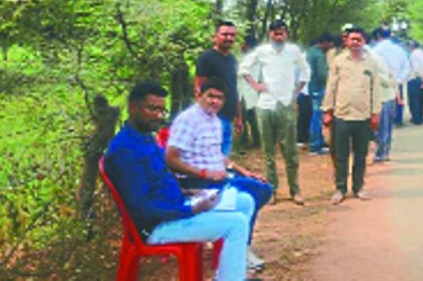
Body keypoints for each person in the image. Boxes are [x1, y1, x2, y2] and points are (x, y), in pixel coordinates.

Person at [104, 81, 251, 281]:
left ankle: (230, 273)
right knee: (236, 224)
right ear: (133, 108)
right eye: (151, 108)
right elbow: (141, 208)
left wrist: (190, 194)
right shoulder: (125, 150)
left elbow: (161, 180)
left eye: (161, 110)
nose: (158, 115)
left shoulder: (145, 138)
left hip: (177, 208)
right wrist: (191, 210)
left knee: (244, 201)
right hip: (159, 227)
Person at [166, 77, 273, 272]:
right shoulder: (187, 120)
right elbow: (171, 159)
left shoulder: (215, 120)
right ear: (199, 95)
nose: (214, 101)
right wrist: (204, 173)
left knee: (263, 187)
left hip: (219, 176)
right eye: (210, 96)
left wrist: (244, 171)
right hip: (194, 182)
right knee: (252, 193)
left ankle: (239, 244)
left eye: (219, 98)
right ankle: (239, 246)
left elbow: (216, 154)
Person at [240, 20, 311, 205]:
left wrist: (296, 91)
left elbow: (305, 72)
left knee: (290, 151)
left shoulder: (293, 51)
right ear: (269, 34)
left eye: (281, 33)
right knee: (268, 151)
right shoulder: (262, 52)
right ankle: (272, 191)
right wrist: (255, 85)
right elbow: (243, 68)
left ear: (286, 34)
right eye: (275, 33)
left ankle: (295, 190)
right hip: (265, 104)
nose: (278, 37)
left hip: (285, 103)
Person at [322, 27, 382, 204]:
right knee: (340, 155)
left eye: (359, 39)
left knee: (360, 154)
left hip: (363, 116)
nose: (355, 42)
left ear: (364, 42)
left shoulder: (371, 63)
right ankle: (340, 189)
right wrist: (327, 111)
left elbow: (375, 89)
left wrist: (375, 113)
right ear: (346, 42)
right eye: (352, 39)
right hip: (342, 115)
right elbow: (331, 87)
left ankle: (358, 187)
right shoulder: (339, 61)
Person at [195, 21, 241, 156]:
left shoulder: (232, 59)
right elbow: (199, 88)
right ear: (216, 36)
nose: (229, 38)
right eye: (225, 34)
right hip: (214, 117)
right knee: (213, 158)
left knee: (224, 158)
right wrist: (203, 117)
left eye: (232, 35)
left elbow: (234, 88)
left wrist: (239, 117)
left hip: (229, 116)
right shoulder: (206, 58)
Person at [371, 27, 409, 162]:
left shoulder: (374, 52)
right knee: (389, 122)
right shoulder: (400, 50)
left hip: (381, 90)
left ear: (377, 36)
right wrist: (397, 82)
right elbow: (406, 67)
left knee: (381, 124)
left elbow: (376, 74)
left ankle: (381, 152)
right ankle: (385, 151)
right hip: (394, 87)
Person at [307, 32, 335, 155]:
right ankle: (315, 145)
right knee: (317, 117)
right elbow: (323, 74)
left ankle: (319, 141)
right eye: (329, 44)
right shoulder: (318, 55)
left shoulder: (311, 52)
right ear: (324, 42)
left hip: (312, 88)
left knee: (316, 116)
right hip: (318, 89)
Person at [238, 35, 261, 149]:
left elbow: (240, 72)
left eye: (243, 44)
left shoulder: (252, 58)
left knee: (249, 117)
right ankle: (246, 139)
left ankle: (252, 140)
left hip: (248, 91)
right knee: (245, 117)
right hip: (244, 91)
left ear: (247, 45)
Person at [407, 40, 423, 125]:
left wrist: (411, 76)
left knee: (414, 100)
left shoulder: (413, 55)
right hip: (422, 79)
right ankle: (419, 117)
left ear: (412, 46)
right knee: (421, 100)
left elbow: (415, 68)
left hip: (414, 79)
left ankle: (416, 118)